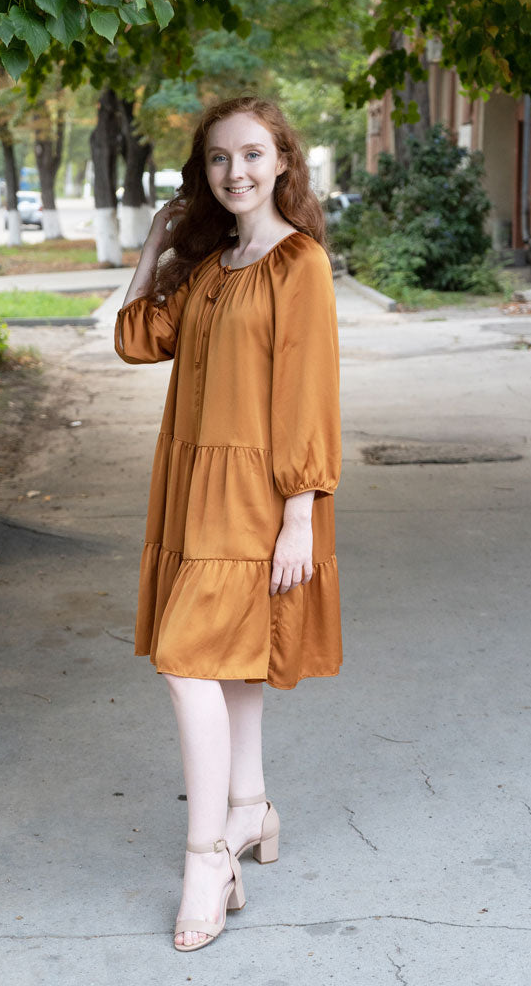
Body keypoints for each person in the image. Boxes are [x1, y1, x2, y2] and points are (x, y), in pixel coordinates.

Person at [114, 96, 342, 952]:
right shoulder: (213, 266)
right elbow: (137, 339)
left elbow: (309, 396)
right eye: (218, 158)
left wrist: (298, 518)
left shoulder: (299, 264)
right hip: (194, 488)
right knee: (229, 663)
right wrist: (155, 245)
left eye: (252, 154)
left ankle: (208, 855)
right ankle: (252, 807)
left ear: (283, 160)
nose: (235, 172)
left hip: (260, 498)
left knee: (186, 661)